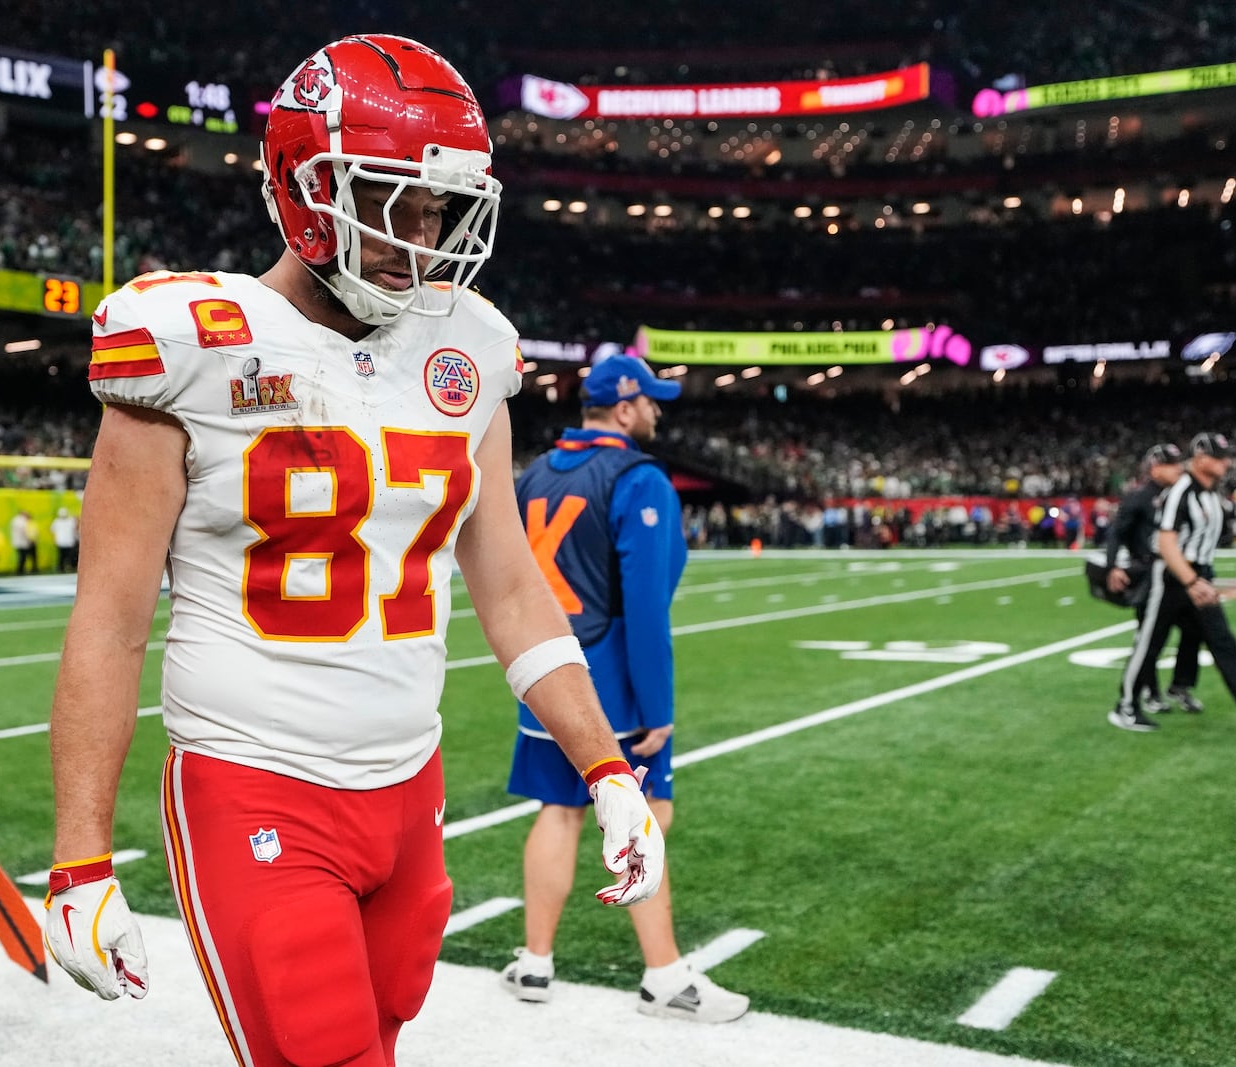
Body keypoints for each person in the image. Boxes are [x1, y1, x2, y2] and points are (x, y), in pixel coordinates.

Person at [42, 35, 665, 1067]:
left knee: (381, 1028)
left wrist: (603, 764)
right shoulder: (189, 338)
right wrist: (78, 857)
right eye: (392, 200)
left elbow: (509, 583)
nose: (420, 236)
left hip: (408, 785)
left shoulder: (467, 343)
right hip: (256, 779)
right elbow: (109, 617)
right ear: (305, 182)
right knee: (316, 1042)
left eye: (439, 210)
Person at [500, 354, 749, 1023]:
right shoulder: (639, 478)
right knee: (645, 818)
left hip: (543, 673)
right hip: (609, 683)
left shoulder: (535, 474)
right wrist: (657, 708)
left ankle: (535, 960)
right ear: (624, 406)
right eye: (651, 401)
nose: (658, 412)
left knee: (557, 810)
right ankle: (665, 977)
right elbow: (646, 607)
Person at [1113, 433, 1236, 736]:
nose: (1226, 462)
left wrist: (1202, 579)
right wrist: (1192, 580)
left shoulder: (1210, 493)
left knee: (1223, 641)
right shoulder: (1180, 490)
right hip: (1171, 579)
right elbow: (1165, 542)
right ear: (1200, 458)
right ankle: (1125, 706)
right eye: (1218, 456)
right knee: (1149, 644)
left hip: (1198, 576)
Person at [1105, 443, 1201, 727]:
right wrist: (1113, 565)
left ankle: (1179, 685)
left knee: (1195, 629)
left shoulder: (1181, 494)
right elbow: (1116, 533)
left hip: (1178, 575)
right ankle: (1150, 693)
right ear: (1155, 467)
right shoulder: (1139, 497)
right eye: (1172, 464)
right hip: (1149, 575)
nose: (1179, 469)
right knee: (1149, 639)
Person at [49, 507, 79, 572]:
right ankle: (67, 567)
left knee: (63, 556)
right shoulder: (70, 520)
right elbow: (75, 529)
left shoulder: (57, 521)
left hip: (62, 542)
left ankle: (62, 568)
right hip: (67, 542)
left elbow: (52, 530)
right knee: (68, 556)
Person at [10, 510, 37, 575]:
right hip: (22, 542)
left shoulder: (15, 520)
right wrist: (30, 539)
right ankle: (20, 570)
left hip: (18, 541)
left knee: (21, 557)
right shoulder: (22, 521)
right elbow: (25, 531)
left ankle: (20, 570)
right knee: (22, 557)